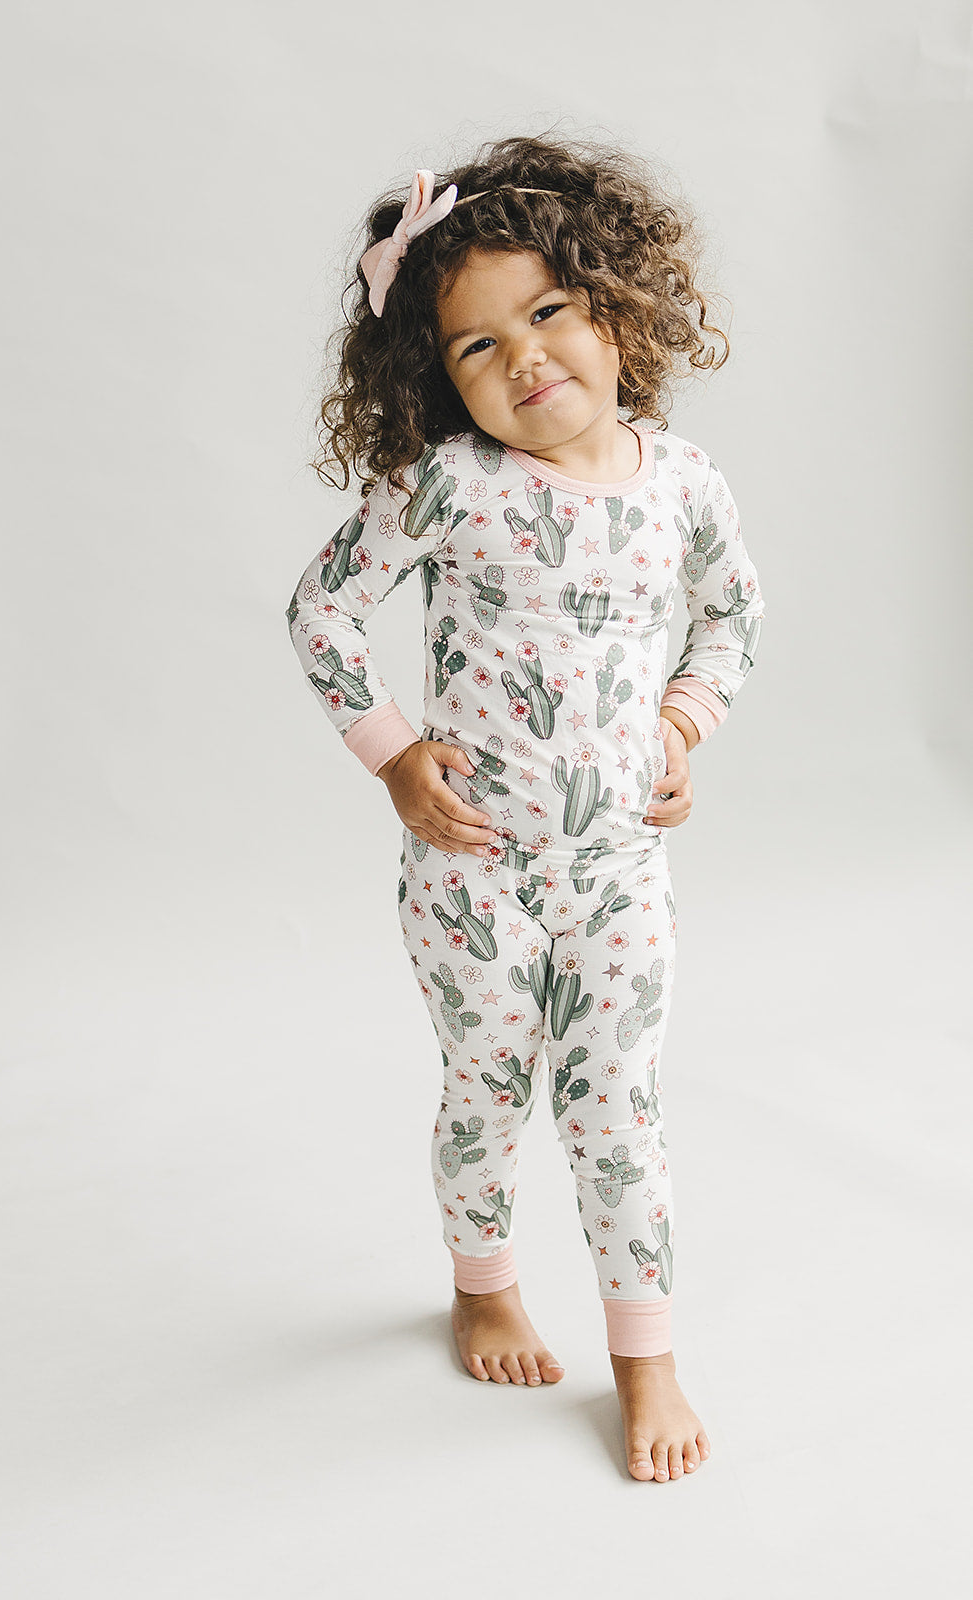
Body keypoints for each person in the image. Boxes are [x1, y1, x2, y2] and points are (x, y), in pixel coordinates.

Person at [286, 133, 765, 1483]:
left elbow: (732, 620)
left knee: (619, 1111)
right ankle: (484, 1285)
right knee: (488, 1092)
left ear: (617, 305)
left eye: (548, 311)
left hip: (616, 873)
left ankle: (645, 1358)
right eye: (476, 346)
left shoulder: (684, 484)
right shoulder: (452, 485)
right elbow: (323, 610)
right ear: (434, 377)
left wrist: (681, 724)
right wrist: (395, 756)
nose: (526, 358)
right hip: (473, 871)